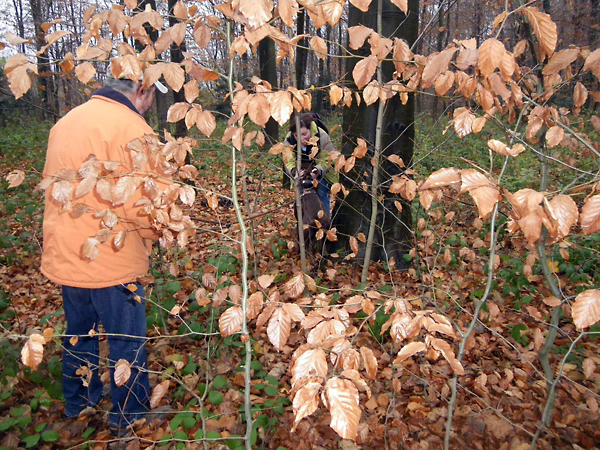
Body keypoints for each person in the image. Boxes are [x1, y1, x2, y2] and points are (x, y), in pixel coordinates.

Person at [41, 76, 168, 435]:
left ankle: (79, 405)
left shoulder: (66, 122)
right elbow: (142, 204)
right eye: (150, 97)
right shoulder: (133, 128)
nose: (149, 106)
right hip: (114, 257)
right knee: (126, 340)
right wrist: (159, 233)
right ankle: (129, 415)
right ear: (140, 91)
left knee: (79, 334)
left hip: (69, 255)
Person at [284, 113, 339, 216]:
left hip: (323, 174)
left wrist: (317, 171)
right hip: (302, 173)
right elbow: (288, 160)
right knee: (303, 200)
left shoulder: (322, 136)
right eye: (297, 136)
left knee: (321, 198)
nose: (301, 139)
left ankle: (324, 223)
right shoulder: (289, 139)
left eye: (304, 134)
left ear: (310, 129)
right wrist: (294, 171)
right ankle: (305, 223)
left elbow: (328, 159)